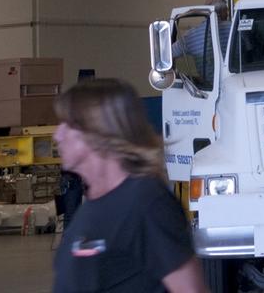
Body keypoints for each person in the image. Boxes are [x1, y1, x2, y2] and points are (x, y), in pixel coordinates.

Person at [52, 78, 207, 293]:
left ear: (98, 132)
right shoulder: (93, 204)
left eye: (68, 125)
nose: (57, 135)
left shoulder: (146, 203)